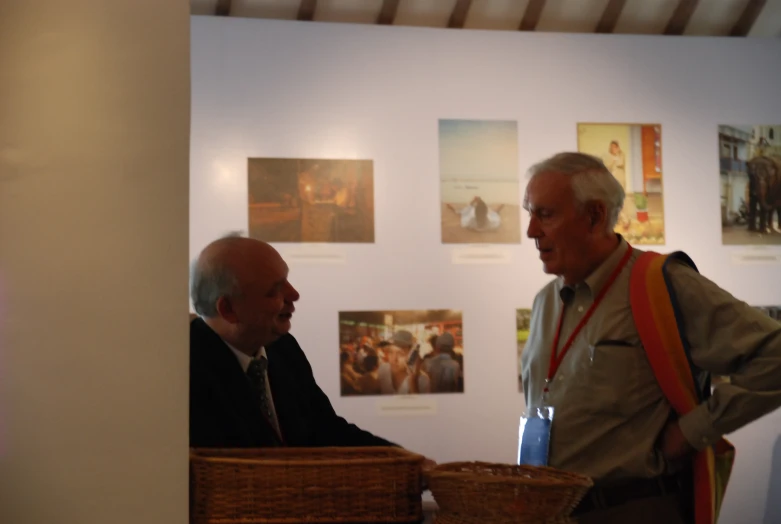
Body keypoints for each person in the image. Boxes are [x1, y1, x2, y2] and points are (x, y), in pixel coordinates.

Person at [520, 152, 781, 524]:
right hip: (553, 511)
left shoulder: (661, 283)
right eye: (530, 214)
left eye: (545, 215)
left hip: (633, 510)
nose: (531, 230)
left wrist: (693, 431)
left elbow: (775, 354)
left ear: (594, 216)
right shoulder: (546, 301)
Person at [189, 233, 435, 469]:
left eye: (286, 280)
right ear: (228, 309)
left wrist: (401, 460)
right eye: (274, 290)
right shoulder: (186, 366)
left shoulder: (284, 349)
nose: (294, 294)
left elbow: (324, 428)